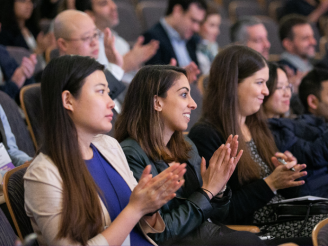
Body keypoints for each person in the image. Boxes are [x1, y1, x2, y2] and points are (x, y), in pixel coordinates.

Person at [115, 65, 290, 245]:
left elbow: (219, 215)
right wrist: (207, 192)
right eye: (184, 94)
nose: (193, 103)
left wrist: (219, 188)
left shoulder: (186, 145)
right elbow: (160, 233)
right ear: (157, 102)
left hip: (213, 235)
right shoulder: (131, 154)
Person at [24, 55, 185, 245]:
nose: (110, 102)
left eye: (109, 93)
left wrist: (150, 205)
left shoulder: (109, 146)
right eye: (100, 92)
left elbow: (142, 225)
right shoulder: (42, 175)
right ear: (68, 100)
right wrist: (136, 209)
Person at [188, 45, 317, 239]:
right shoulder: (207, 135)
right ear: (233, 84)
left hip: (285, 217)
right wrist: (270, 183)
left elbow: (284, 197)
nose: (266, 91)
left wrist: (287, 176)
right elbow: (222, 212)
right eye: (259, 82)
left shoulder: (256, 125)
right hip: (256, 230)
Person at [263, 65, 328, 198]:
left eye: (288, 87)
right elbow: (312, 156)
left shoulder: (296, 120)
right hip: (313, 200)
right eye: (280, 88)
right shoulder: (269, 132)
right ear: (263, 90)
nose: (287, 93)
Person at [53, 10, 126, 112]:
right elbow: (91, 106)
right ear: (63, 44)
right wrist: (115, 68)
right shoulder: (57, 77)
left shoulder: (95, 70)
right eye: (87, 37)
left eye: (95, 35)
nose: (94, 42)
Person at [75, 0, 159, 79]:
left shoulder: (121, 42)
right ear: (89, 14)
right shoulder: (86, 46)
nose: (113, 6)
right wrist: (124, 65)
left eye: (112, 1)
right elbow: (95, 88)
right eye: (104, 3)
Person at [142, 0, 206, 76]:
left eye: (199, 22)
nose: (196, 28)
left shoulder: (192, 40)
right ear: (177, 11)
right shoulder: (152, 38)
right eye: (193, 20)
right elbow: (153, 81)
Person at [196, 4, 221, 75]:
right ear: (199, 25)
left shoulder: (214, 48)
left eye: (218, 25)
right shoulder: (193, 52)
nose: (217, 31)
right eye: (212, 25)